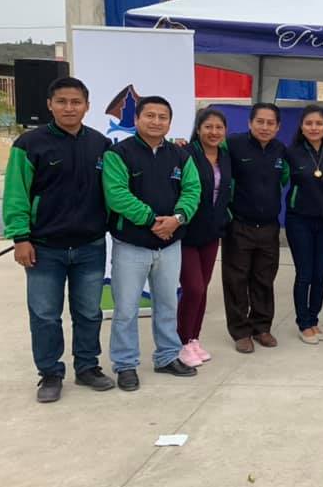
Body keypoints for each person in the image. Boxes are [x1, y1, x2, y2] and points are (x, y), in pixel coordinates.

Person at [3, 76, 114, 402]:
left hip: (90, 246)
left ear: (87, 106)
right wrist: (20, 237)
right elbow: (16, 194)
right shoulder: (29, 144)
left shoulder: (100, 145)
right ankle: (50, 374)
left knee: (89, 312)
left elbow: (113, 191)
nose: (69, 108)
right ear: (50, 105)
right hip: (43, 249)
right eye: (62, 101)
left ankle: (87, 367)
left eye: (76, 102)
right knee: (45, 316)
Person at [103, 96, 201, 390]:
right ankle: (125, 364)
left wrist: (177, 219)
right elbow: (117, 194)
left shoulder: (181, 155)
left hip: (170, 245)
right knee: (126, 309)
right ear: (137, 119)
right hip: (131, 245)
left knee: (168, 304)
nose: (156, 122)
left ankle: (167, 356)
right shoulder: (118, 154)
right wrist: (152, 220)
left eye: (163, 117)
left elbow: (192, 190)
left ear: (170, 122)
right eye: (150, 116)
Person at [222, 103, 289, 353]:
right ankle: (240, 331)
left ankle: (262, 327)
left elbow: (283, 178)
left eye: (270, 123)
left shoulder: (280, 150)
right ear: (250, 123)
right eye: (260, 121)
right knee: (236, 280)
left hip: (269, 226)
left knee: (264, 279)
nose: (265, 127)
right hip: (239, 225)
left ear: (278, 127)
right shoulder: (233, 144)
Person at [176, 108, 231, 366]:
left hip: (212, 232)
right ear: (198, 129)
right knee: (193, 288)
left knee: (203, 288)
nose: (214, 132)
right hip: (187, 232)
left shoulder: (225, 156)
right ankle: (182, 341)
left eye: (219, 127)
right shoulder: (185, 153)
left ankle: (193, 338)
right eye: (208, 127)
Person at [285, 105, 323, 344]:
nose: (314, 128)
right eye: (308, 123)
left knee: (321, 274)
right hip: (299, 221)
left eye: (318, 123)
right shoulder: (291, 153)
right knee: (305, 273)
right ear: (301, 127)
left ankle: (314, 319)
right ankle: (303, 323)